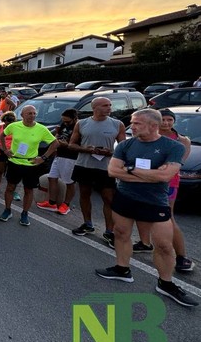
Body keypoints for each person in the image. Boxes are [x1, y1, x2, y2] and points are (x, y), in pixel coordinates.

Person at [96, 109, 197, 307]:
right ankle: (122, 269)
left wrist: (130, 169)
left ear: (153, 125)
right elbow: (113, 170)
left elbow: (165, 176)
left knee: (164, 245)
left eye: (137, 124)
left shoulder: (172, 146)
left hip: (155, 201)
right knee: (121, 233)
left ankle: (165, 283)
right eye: (132, 123)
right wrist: (147, 173)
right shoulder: (126, 144)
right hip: (125, 197)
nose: (131, 127)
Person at [132, 109, 194, 273]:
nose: (166, 123)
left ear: (174, 121)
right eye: (163, 120)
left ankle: (181, 257)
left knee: (168, 217)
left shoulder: (182, 140)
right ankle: (145, 243)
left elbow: (177, 163)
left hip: (168, 183)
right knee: (142, 212)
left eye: (169, 120)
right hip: (144, 181)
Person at [68, 97, 126, 246]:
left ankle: (109, 232)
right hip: (84, 165)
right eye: (105, 105)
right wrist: (86, 149)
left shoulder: (117, 124)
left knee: (108, 198)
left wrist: (110, 152)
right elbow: (72, 145)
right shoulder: (82, 123)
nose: (109, 108)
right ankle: (87, 224)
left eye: (110, 105)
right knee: (85, 194)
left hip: (105, 167)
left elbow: (123, 148)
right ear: (95, 108)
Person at [0, 105, 58, 226]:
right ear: (22, 115)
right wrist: (5, 150)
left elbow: (55, 143)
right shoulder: (14, 126)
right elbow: (2, 136)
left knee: (28, 190)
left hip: (31, 164)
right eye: (29, 113)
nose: (32, 116)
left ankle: (25, 213)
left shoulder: (41, 129)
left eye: (34, 113)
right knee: (10, 188)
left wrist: (43, 158)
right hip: (15, 162)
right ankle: (7, 210)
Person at [36, 109, 78, 215]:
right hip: (59, 155)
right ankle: (52, 203)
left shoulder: (79, 127)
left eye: (67, 121)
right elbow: (57, 137)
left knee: (69, 182)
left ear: (75, 119)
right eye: (63, 121)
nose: (65, 123)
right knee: (52, 177)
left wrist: (67, 145)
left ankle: (66, 205)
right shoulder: (63, 125)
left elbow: (77, 145)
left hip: (71, 157)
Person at [0, 111, 16, 198]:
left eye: (10, 123)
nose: (7, 125)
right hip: (1, 151)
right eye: (6, 122)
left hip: (12, 152)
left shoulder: (16, 128)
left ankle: (13, 190)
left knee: (12, 173)